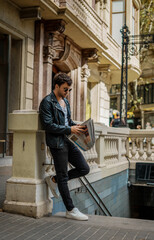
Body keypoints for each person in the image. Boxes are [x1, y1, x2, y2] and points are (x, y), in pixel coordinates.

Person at [39, 72, 90, 221]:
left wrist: (79, 127)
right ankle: (70, 209)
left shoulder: (65, 102)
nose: (67, 92)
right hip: (57, 143)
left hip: (68, 140)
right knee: (63, 176)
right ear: (57, 86)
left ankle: (53, 179)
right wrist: (69, 129)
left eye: (69, 89)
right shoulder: (47, 102)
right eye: (65, 89)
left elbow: (68, 122)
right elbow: (48, 125)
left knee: (84, 168)